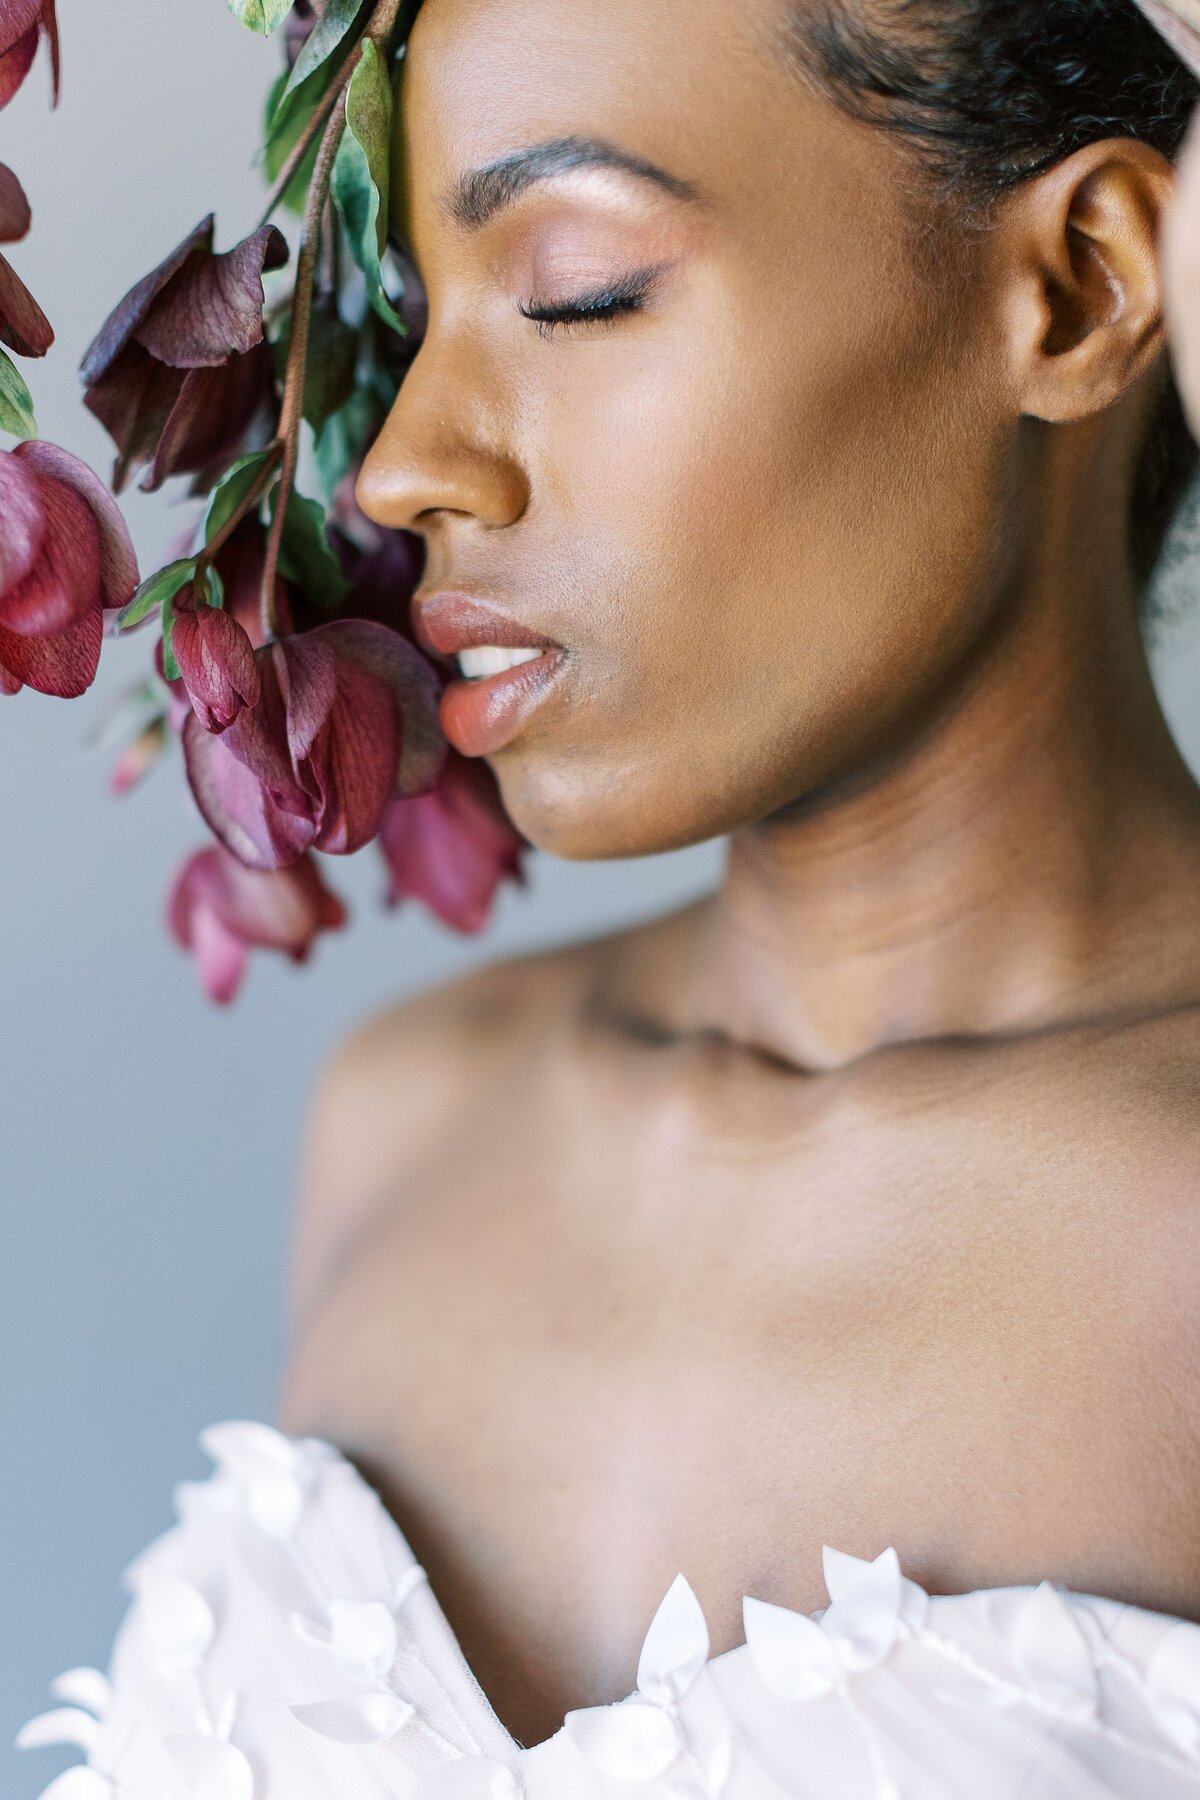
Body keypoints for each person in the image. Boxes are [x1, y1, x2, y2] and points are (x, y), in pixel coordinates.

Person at [18, 2, 1200, 1796]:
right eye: (412, 319)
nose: (406, 467)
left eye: (577, 290)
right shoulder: (407, 1126)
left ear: (1086, 286)